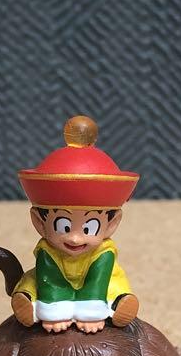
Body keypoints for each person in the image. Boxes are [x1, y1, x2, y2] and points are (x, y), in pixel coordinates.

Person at [13, 116, 140, 333]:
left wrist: (90, 313)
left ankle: (119, 304)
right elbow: (49, 280)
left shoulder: (103, 253)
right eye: (63, 226)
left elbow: (97, 281)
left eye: (89, 228)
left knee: (114, 285)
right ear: (39, 223)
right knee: (33, 283)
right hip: (50, 286)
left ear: (111, 224)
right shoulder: (47, 251)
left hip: (98, 290)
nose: (74, 237)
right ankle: (26, 301)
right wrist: (54, 311)